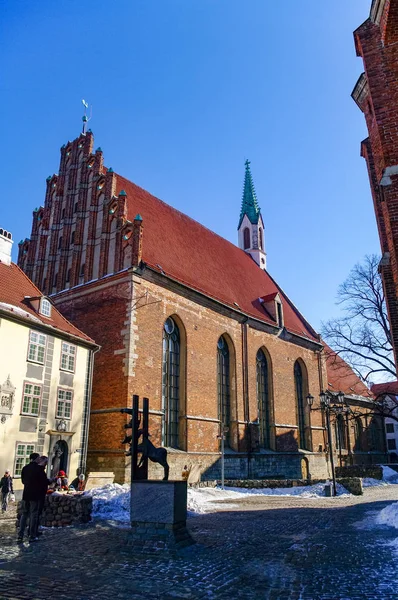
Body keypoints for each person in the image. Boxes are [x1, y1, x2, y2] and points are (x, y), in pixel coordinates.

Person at [18, 455, 48, 543]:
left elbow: (23, 481)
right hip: (35, 495)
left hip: (26, 494)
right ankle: (32, 535)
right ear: (36, 459)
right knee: (33, 515)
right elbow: (44, 481)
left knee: (24, 514)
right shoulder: (39, 469)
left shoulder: (25, 468)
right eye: (39, 458)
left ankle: (20, 535)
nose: (40, 459)